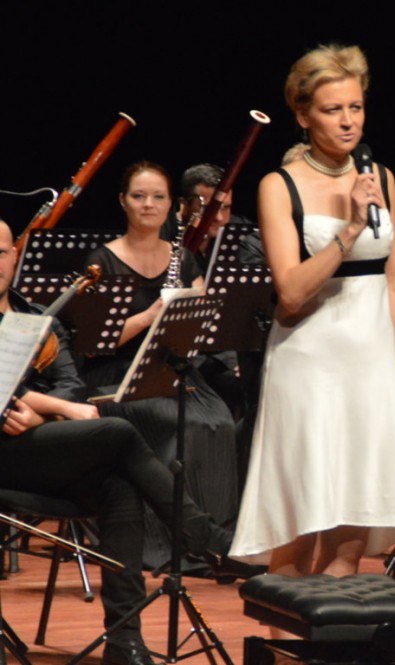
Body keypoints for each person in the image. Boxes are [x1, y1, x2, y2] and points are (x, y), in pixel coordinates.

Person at [0, 218, 253, 665]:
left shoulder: (37, 316)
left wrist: (43, 410)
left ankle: (125, 639)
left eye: (0, 252)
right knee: (117, 432)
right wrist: (52, 406)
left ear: (15, 255)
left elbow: (71, 383)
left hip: (44, 445)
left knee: (120, 483)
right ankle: (201, 534)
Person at [230, 44, 395, 585]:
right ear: (303, 116)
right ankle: (282, 627)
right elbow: (292, 292)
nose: (348, 121)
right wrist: (351, 228)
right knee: (299, 528)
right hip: (309, 365)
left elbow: (393, 283)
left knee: (349, 544)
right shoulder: (280, 186)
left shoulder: (381, 176)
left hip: (369, 365)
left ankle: (332, 629)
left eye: (355, 107)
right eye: (332, 109)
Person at [81, 161, 240, 573]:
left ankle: (215, 541)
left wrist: (194, 310)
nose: (149, 205)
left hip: (170, 369)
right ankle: (170, 547)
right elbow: (96, 343)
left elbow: (201, 325)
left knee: (219, 422)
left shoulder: (182, 257)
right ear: (123, 201)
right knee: (177, 426)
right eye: (139, 196)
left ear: (172, 205)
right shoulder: (102, 259)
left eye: (158, 197)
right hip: (117, 377)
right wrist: (152, 314)